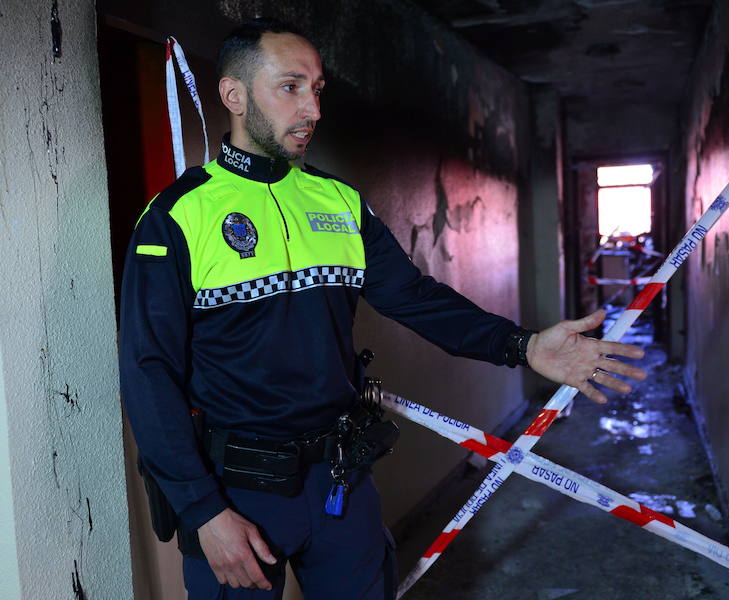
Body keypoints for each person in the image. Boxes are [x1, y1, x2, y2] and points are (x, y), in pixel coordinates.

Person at [118, 18, 647, 600]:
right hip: (237, 492)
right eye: (291, 87)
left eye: (317, 89)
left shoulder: (340, 202)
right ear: (233, 95)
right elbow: (148, 374)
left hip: (340, 481)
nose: (313, 110)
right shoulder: (175, 217)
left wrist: (524, 345)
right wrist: (203, 511)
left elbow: (416, 298)